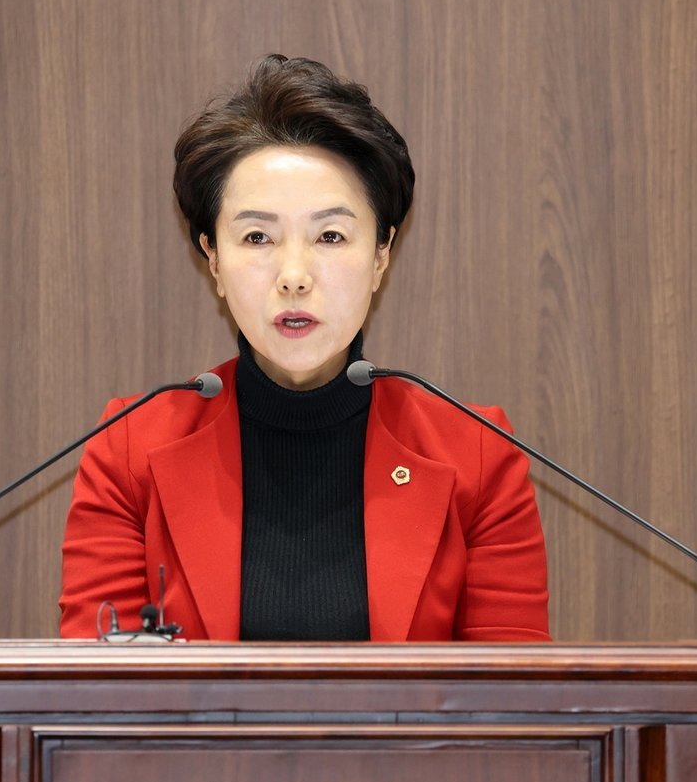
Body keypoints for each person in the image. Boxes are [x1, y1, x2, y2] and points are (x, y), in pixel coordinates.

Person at [59, 55, 549, 641]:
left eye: (330, 236)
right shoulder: (129, 451)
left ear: (381, 254)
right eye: (257, 237)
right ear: (213, 258)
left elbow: (513, 691)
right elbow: (93, 686)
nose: (294, 276)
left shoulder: (478, 456)